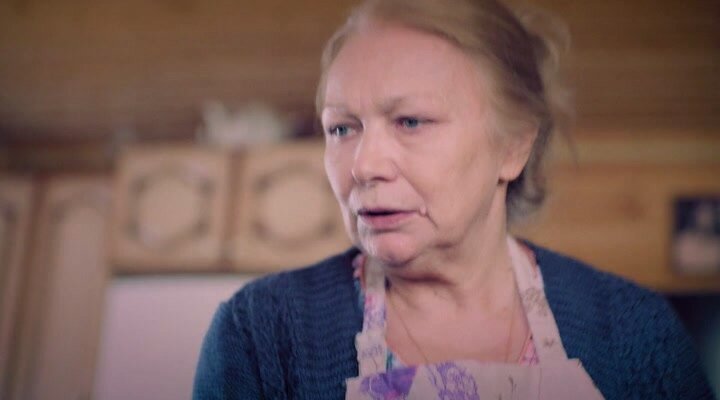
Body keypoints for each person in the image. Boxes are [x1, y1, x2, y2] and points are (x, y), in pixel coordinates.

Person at [193, 0, 714, 398]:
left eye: (410, 121)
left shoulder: (635, 332)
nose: (364, 166)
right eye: (342, 128)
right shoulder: (259, 335)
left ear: (513, 147)